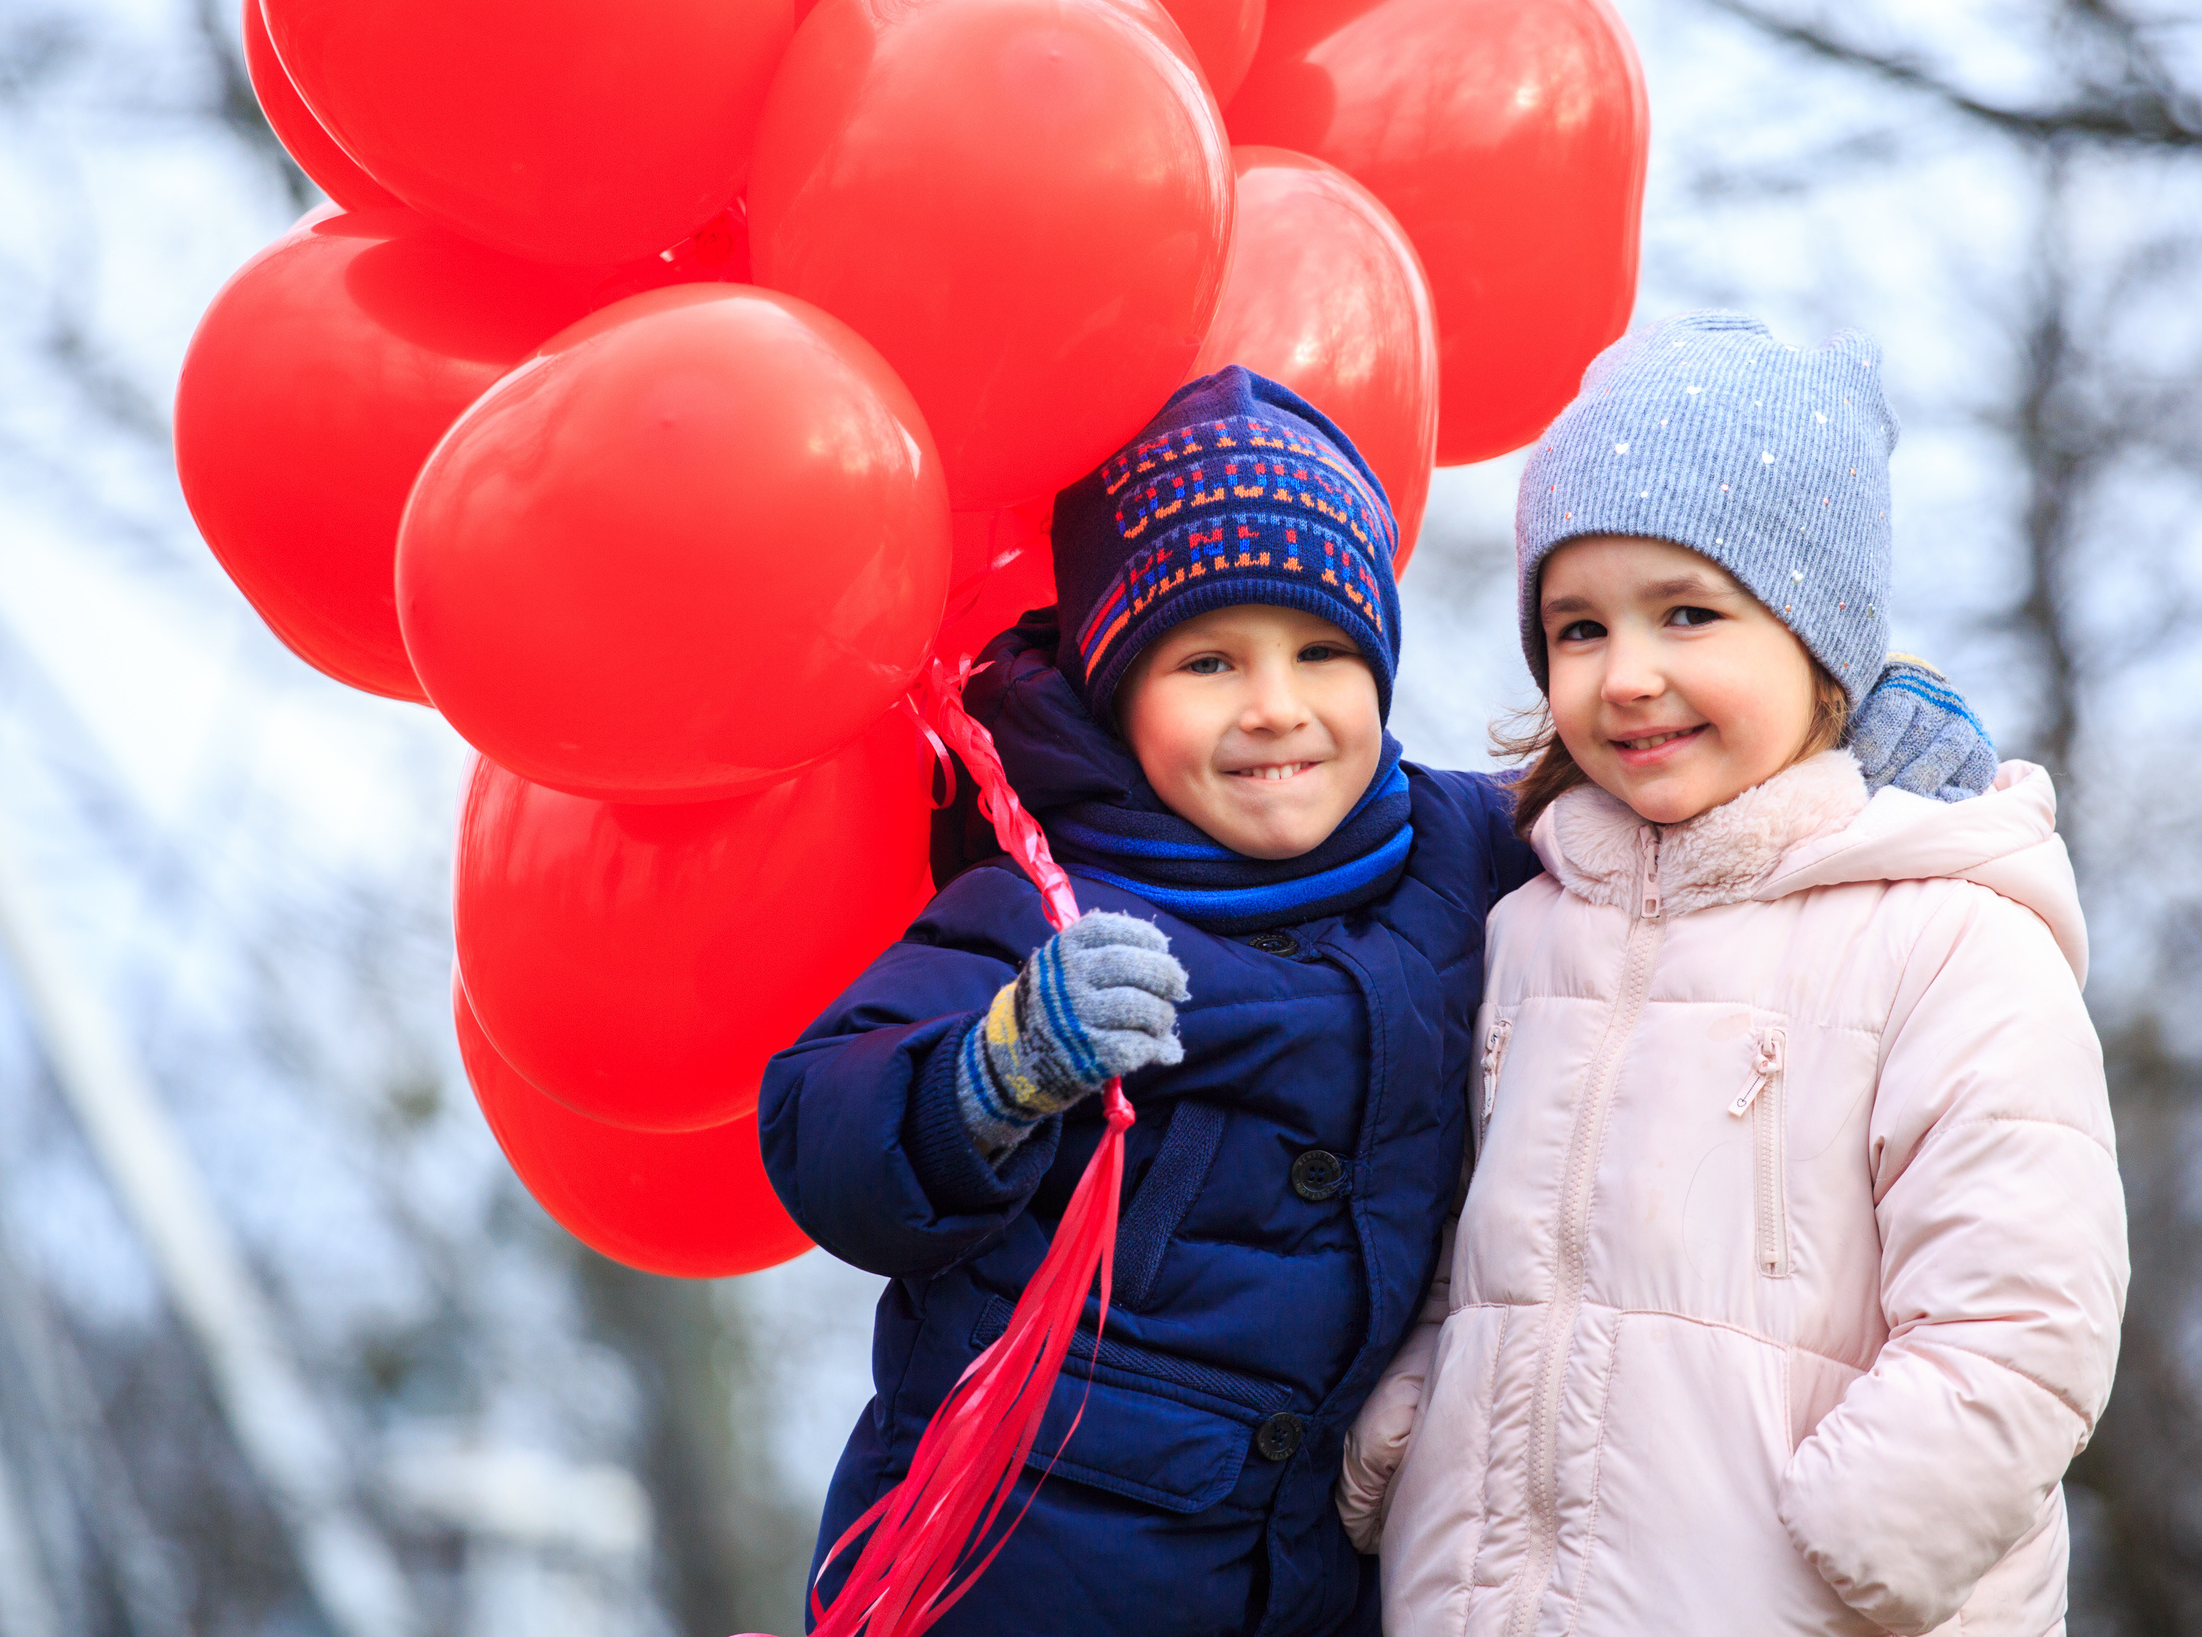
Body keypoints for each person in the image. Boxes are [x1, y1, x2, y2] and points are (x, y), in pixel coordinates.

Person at [761, 361, 1999, 1637]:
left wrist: (1857, 744)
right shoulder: (1046, 904)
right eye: (1205, 662)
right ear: (1115, 686)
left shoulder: (1458, 849)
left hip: (1317, 1572)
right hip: (1024, 1565)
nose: (1275, 708)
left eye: (1320, 652)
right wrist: (997, 1066)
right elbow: (823, 1126)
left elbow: (1670, 803)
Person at [1337, 313, 2129, 1636]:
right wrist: (1406, 1428)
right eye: (1579, 627)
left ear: (1820, 638)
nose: (1628, 673)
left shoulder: (1945, 930)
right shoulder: (1528, 921)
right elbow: (1473, 1239)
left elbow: (2025, 1318)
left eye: (1690, 612)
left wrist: (1834, 1553)